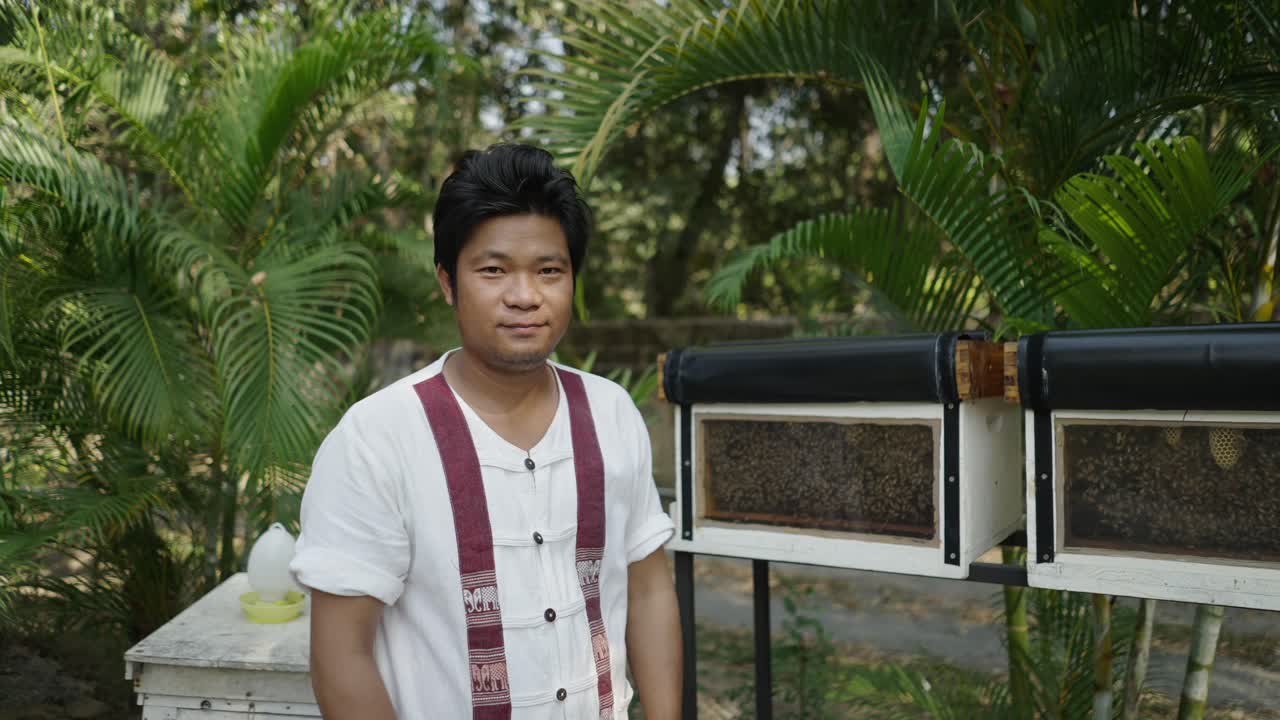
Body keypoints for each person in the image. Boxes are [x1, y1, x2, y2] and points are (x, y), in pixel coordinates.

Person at [290, 143, 682, 719]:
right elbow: (340, 655)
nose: (524, 296)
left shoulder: (612, 412)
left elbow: (649, 592)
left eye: (549, 270)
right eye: (494, 270)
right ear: (449, 283)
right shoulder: (377, 438)